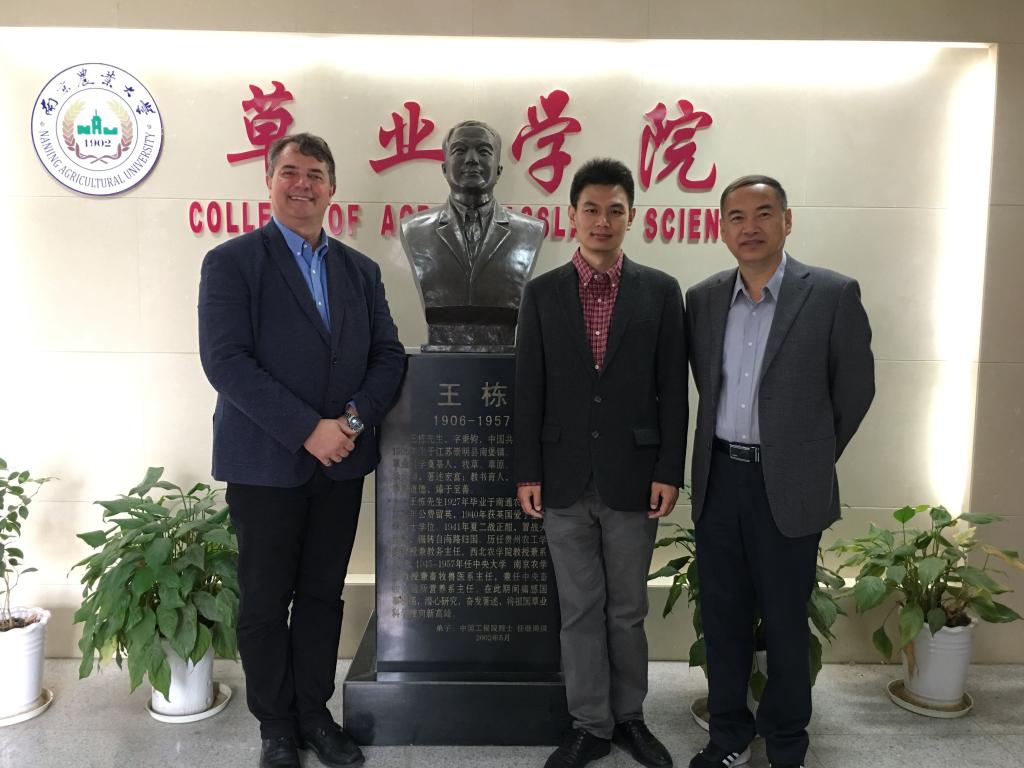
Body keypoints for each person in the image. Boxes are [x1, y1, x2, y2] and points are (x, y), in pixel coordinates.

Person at [198, 132, 405, 768]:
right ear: (269, 181)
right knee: (265, 601)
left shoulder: (360, 271)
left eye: (315, 174)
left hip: (340, 465)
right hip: (265, 465)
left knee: (322, 595)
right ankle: (276, 726)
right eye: (290, 172)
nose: (302, 184)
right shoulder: (232, 262)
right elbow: (226, 362)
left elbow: (388, 356)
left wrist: (349, 423)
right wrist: (308, 429)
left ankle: (315, 713)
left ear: (332, 188)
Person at [685, 175, 874, 768]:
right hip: (720, 480)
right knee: (724, 619)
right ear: (721, 229)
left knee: (788, 622)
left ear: (787, 221)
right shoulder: (703, 299)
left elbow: (855, 391)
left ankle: (788, 741)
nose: (751, 227)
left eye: (764, 213)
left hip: (788, 484)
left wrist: (806, 456)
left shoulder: (832, 294)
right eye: (736, 217)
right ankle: (729, 736)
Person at [514, 158, 687, 768]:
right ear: (572, 216)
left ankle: (630, 717)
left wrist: (668, 469)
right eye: (591, 209)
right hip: (562, 478)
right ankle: (590, 724)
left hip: (635, 479)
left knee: (628, 609)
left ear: (631, 217)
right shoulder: (541, 293)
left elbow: (673, 390)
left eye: (615, 210)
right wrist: (527, 471)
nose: (602, 221)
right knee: (579, 610)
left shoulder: (660, 291)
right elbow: (528, 390)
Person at [400, 120, 544, 350]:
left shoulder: (530, 230)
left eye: (484, 151)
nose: (471, 159)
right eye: (460, 150)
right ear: (444, 168)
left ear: (499, 170)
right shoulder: (414, 229)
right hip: (441, 362)